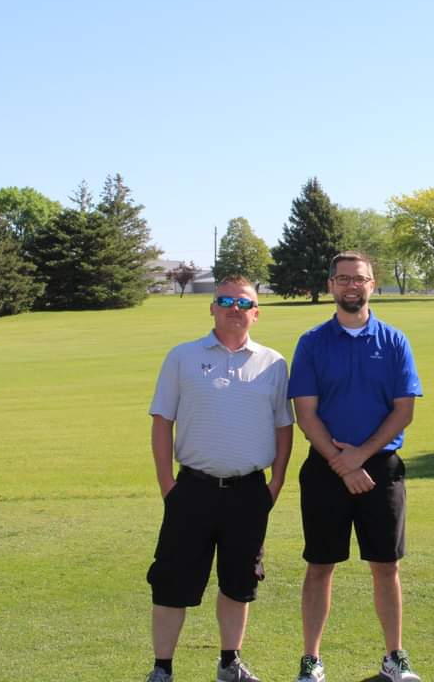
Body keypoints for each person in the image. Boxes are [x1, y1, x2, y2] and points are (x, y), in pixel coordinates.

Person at [144, 275, 295, 682]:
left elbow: (284, 427)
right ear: (211, 307)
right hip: (192, 489)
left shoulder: (274, 363)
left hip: (248, 492)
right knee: (173, 580)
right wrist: (167, 486)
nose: (235, 309)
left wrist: (275, 483)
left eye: (244, 303)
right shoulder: (182, 357)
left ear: (256, 314)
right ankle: (162, 669)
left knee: (239, 581)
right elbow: (162, 422)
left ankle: (230, 663)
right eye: (225, 301)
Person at [288, 251, 423, 682]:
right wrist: (341, 463)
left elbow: (403, 410)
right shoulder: (311, 342)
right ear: (331, 285)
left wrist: (359, 457)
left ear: (372, 283)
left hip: (380, 469)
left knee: (386, 565)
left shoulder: (395, 341)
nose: (352, 286)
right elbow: (305, 413)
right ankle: (311, 659)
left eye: (359, 279)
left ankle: (394, 656)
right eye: (343, 278)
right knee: (320, 564)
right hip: (326, 468)